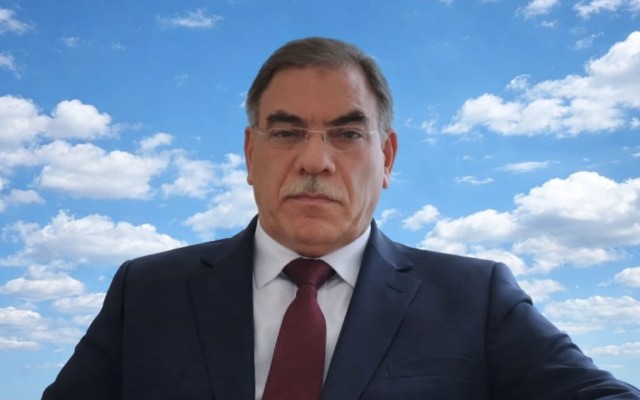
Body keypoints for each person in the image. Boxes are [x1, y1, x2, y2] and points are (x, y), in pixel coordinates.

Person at [42, 37, 639, 400]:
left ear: (387, 157)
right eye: (287, 132)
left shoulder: (476, 297)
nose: (315, 160)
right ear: (250, 154)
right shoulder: (146, 292)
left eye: (347, 134)